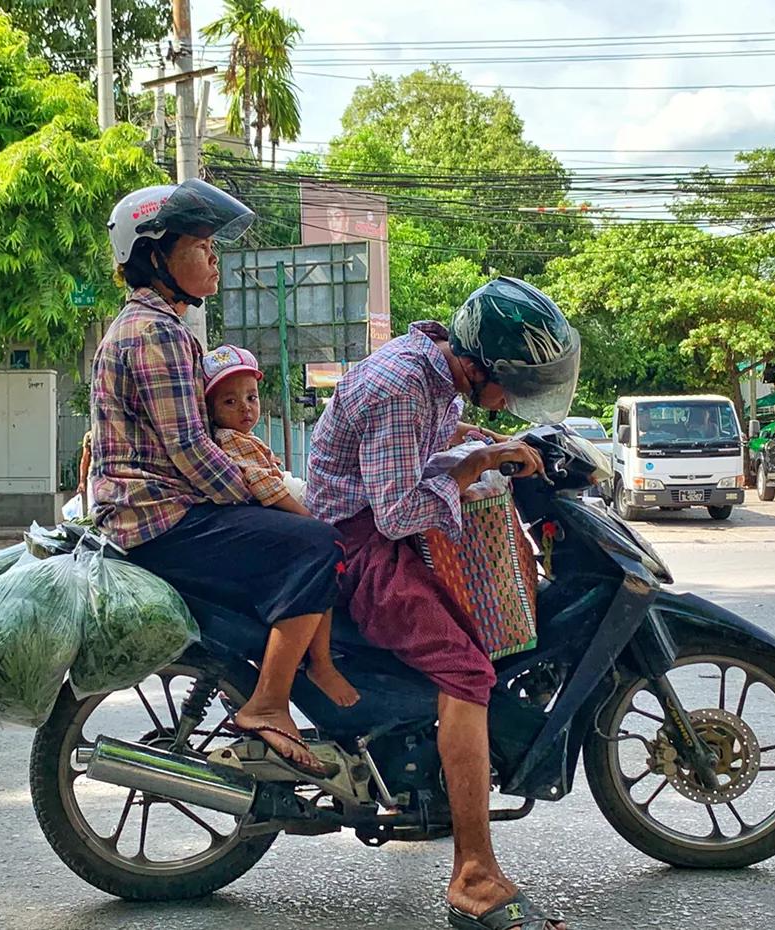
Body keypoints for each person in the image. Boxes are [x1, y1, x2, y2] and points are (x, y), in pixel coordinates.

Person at [306, 276, 578, 930]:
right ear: (482, 365)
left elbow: (433, 432)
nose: (514, 397)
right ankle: (474, 877)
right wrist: (476, 460)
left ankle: (429, 781)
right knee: (467, 672)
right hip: (362, 547)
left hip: (377, 528)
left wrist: (483, 440)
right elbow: (398, 511)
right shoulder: (402, 385)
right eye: (511, 382)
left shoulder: (432, 373)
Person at [89, 179, 344, 779]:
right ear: (155, 256)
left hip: (157, 512)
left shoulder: (155, 326)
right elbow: (191, 452)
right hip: (159, 518)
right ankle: (269, 704)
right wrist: (278, 496)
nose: (213, 258)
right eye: (199, 245)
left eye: (213, 245)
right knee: (318, 544)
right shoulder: (157, 333)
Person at [201, 342, 359, 708]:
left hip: (266, 522)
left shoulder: (246, 439)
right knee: (324, 557)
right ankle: (318, 664)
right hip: (265, 527)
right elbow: (266, 486)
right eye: (230, 401)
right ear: (210, 409)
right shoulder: (228, 441)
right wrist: (310, 520)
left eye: (251, 397)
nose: (245, 408)